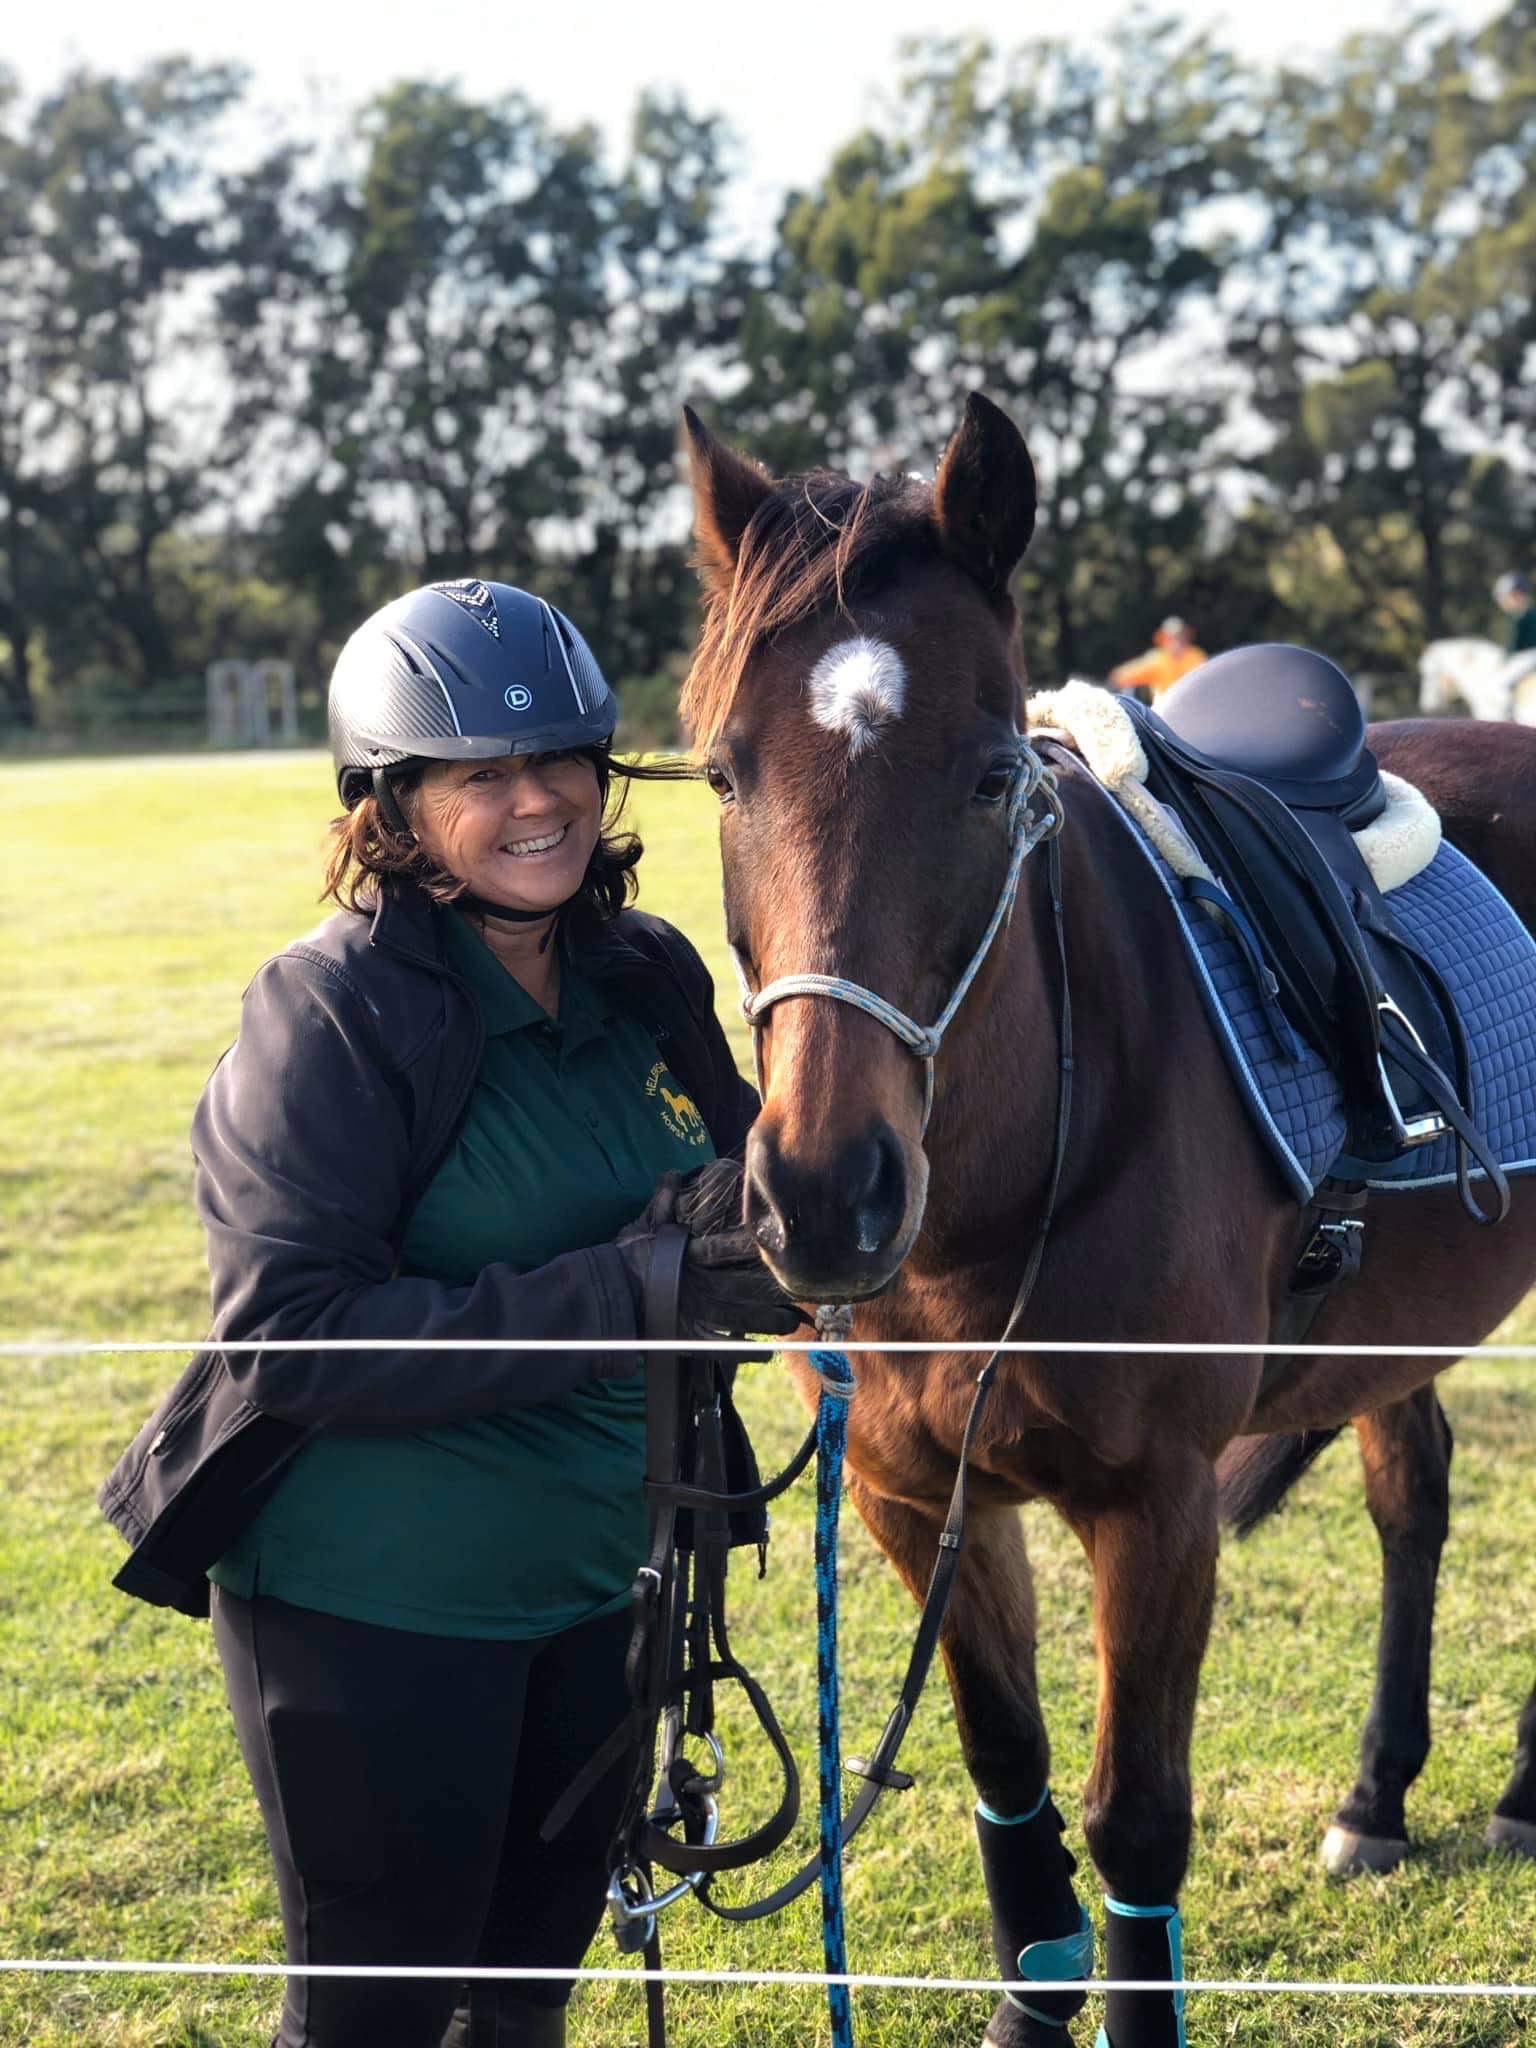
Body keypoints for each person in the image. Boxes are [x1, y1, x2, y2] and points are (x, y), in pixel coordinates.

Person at [98, 578, 801, 2048]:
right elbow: (293, 1335)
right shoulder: (330, 1012)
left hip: (606, 1594)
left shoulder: (647, 975)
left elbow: (747, 1207)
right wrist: (625, 1286)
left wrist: (767, 1245)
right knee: (379, 2019)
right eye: (482, 774)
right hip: (375, 1617)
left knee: (527, 2004)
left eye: (560, 763)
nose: (538, 802)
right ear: (393, 805)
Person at [1108, 615, 1208, 700]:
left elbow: (1206, 681)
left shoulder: (1196, 656)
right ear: (1164, 639)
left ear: (1186, 637)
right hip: (1165, 710)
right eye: (1171, 638)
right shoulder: (1157, 659)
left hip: (1193, 704)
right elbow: (1122, 676)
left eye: (1180, 637)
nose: (1176, 642)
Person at [1495, 570, 1536, 656]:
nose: (1502, 602)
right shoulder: (1515, 619)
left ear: (1517, 595)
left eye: (1504, 597)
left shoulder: (1528, 618)